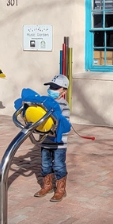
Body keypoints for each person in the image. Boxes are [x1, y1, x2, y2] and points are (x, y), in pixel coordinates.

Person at [34, 74, 71, 202]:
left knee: (59, 165)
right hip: (45, 142)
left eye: (56, 88)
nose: (52, 90)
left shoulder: (64, 105)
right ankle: (47, 185)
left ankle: (61, 189)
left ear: (64, 91)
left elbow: (63, 124)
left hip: (59, 143)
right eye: (51, 87)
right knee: (45, 165)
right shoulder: (44, 103)